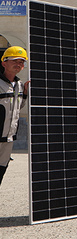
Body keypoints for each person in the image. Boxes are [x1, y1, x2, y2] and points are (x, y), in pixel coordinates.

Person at [1, 46, 29, 187]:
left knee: (1, 172)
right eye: (15, 61)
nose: (18, 64)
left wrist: (25, 94)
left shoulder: (19, 85)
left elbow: (18, 107)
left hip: (8, 140)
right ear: (4, 63)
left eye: (21, 62)